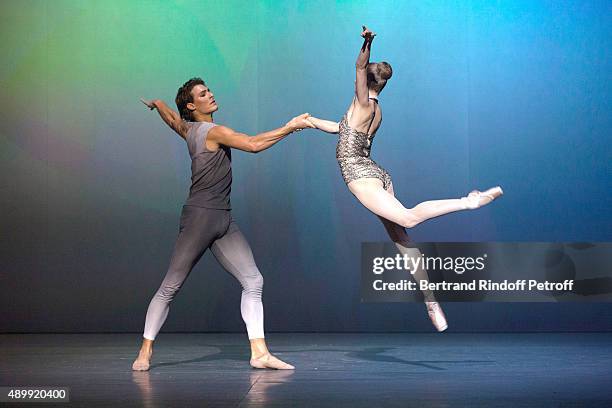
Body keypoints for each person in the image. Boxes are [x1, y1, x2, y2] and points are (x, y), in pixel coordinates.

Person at [306, 26, 503, 331]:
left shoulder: (363, 104)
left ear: (367, 81)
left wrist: (368, 41)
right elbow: (341, 129)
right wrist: (307, 122)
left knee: (408, 220)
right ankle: (430, 299)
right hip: (376, 173)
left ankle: (469, 202)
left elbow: (358, 66)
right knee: (401, 239)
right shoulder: (373, 110)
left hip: (360, 174)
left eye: (362, 76)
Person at [132, 78, 314, 371]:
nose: (211, 95)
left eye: (209, 90)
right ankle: (144, 351)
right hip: (200, 219)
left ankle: (259, 353)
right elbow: (254, 145)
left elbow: (171, 120)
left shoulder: (187, 128)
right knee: (170, 287)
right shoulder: (213, 132)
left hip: (223, 220)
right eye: (203, 94)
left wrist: (158, 104)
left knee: (253, 281)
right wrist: (291, 126)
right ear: (192, 105)